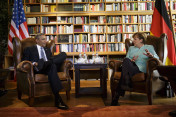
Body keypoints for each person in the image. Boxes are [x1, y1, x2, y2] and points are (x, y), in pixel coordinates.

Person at [111, 32, 159, 106]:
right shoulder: (131, 48)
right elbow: (126, 60)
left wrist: (151, 55)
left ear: (141, 40)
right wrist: (132, 60)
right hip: (131, 67)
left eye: (135, 39)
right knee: (126, 60)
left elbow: (158, 59)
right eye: (133, 39)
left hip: (140, 69)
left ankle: (116, 97)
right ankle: (127, 82)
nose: (133, 41)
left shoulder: (149, 47)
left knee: (125, 71)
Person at [22, 33, 68, 110]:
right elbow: (24, 61)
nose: (45, 41)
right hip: (38, 69)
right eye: (43, 39)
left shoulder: (47, 50)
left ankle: (57, 98)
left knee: (63, 55)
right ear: (37, 40)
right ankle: (58, 99)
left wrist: (48, 62)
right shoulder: (29, 49)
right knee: (49, 63)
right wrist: (34, 63)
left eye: (46, 39)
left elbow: (51, 59)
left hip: (48, 67)